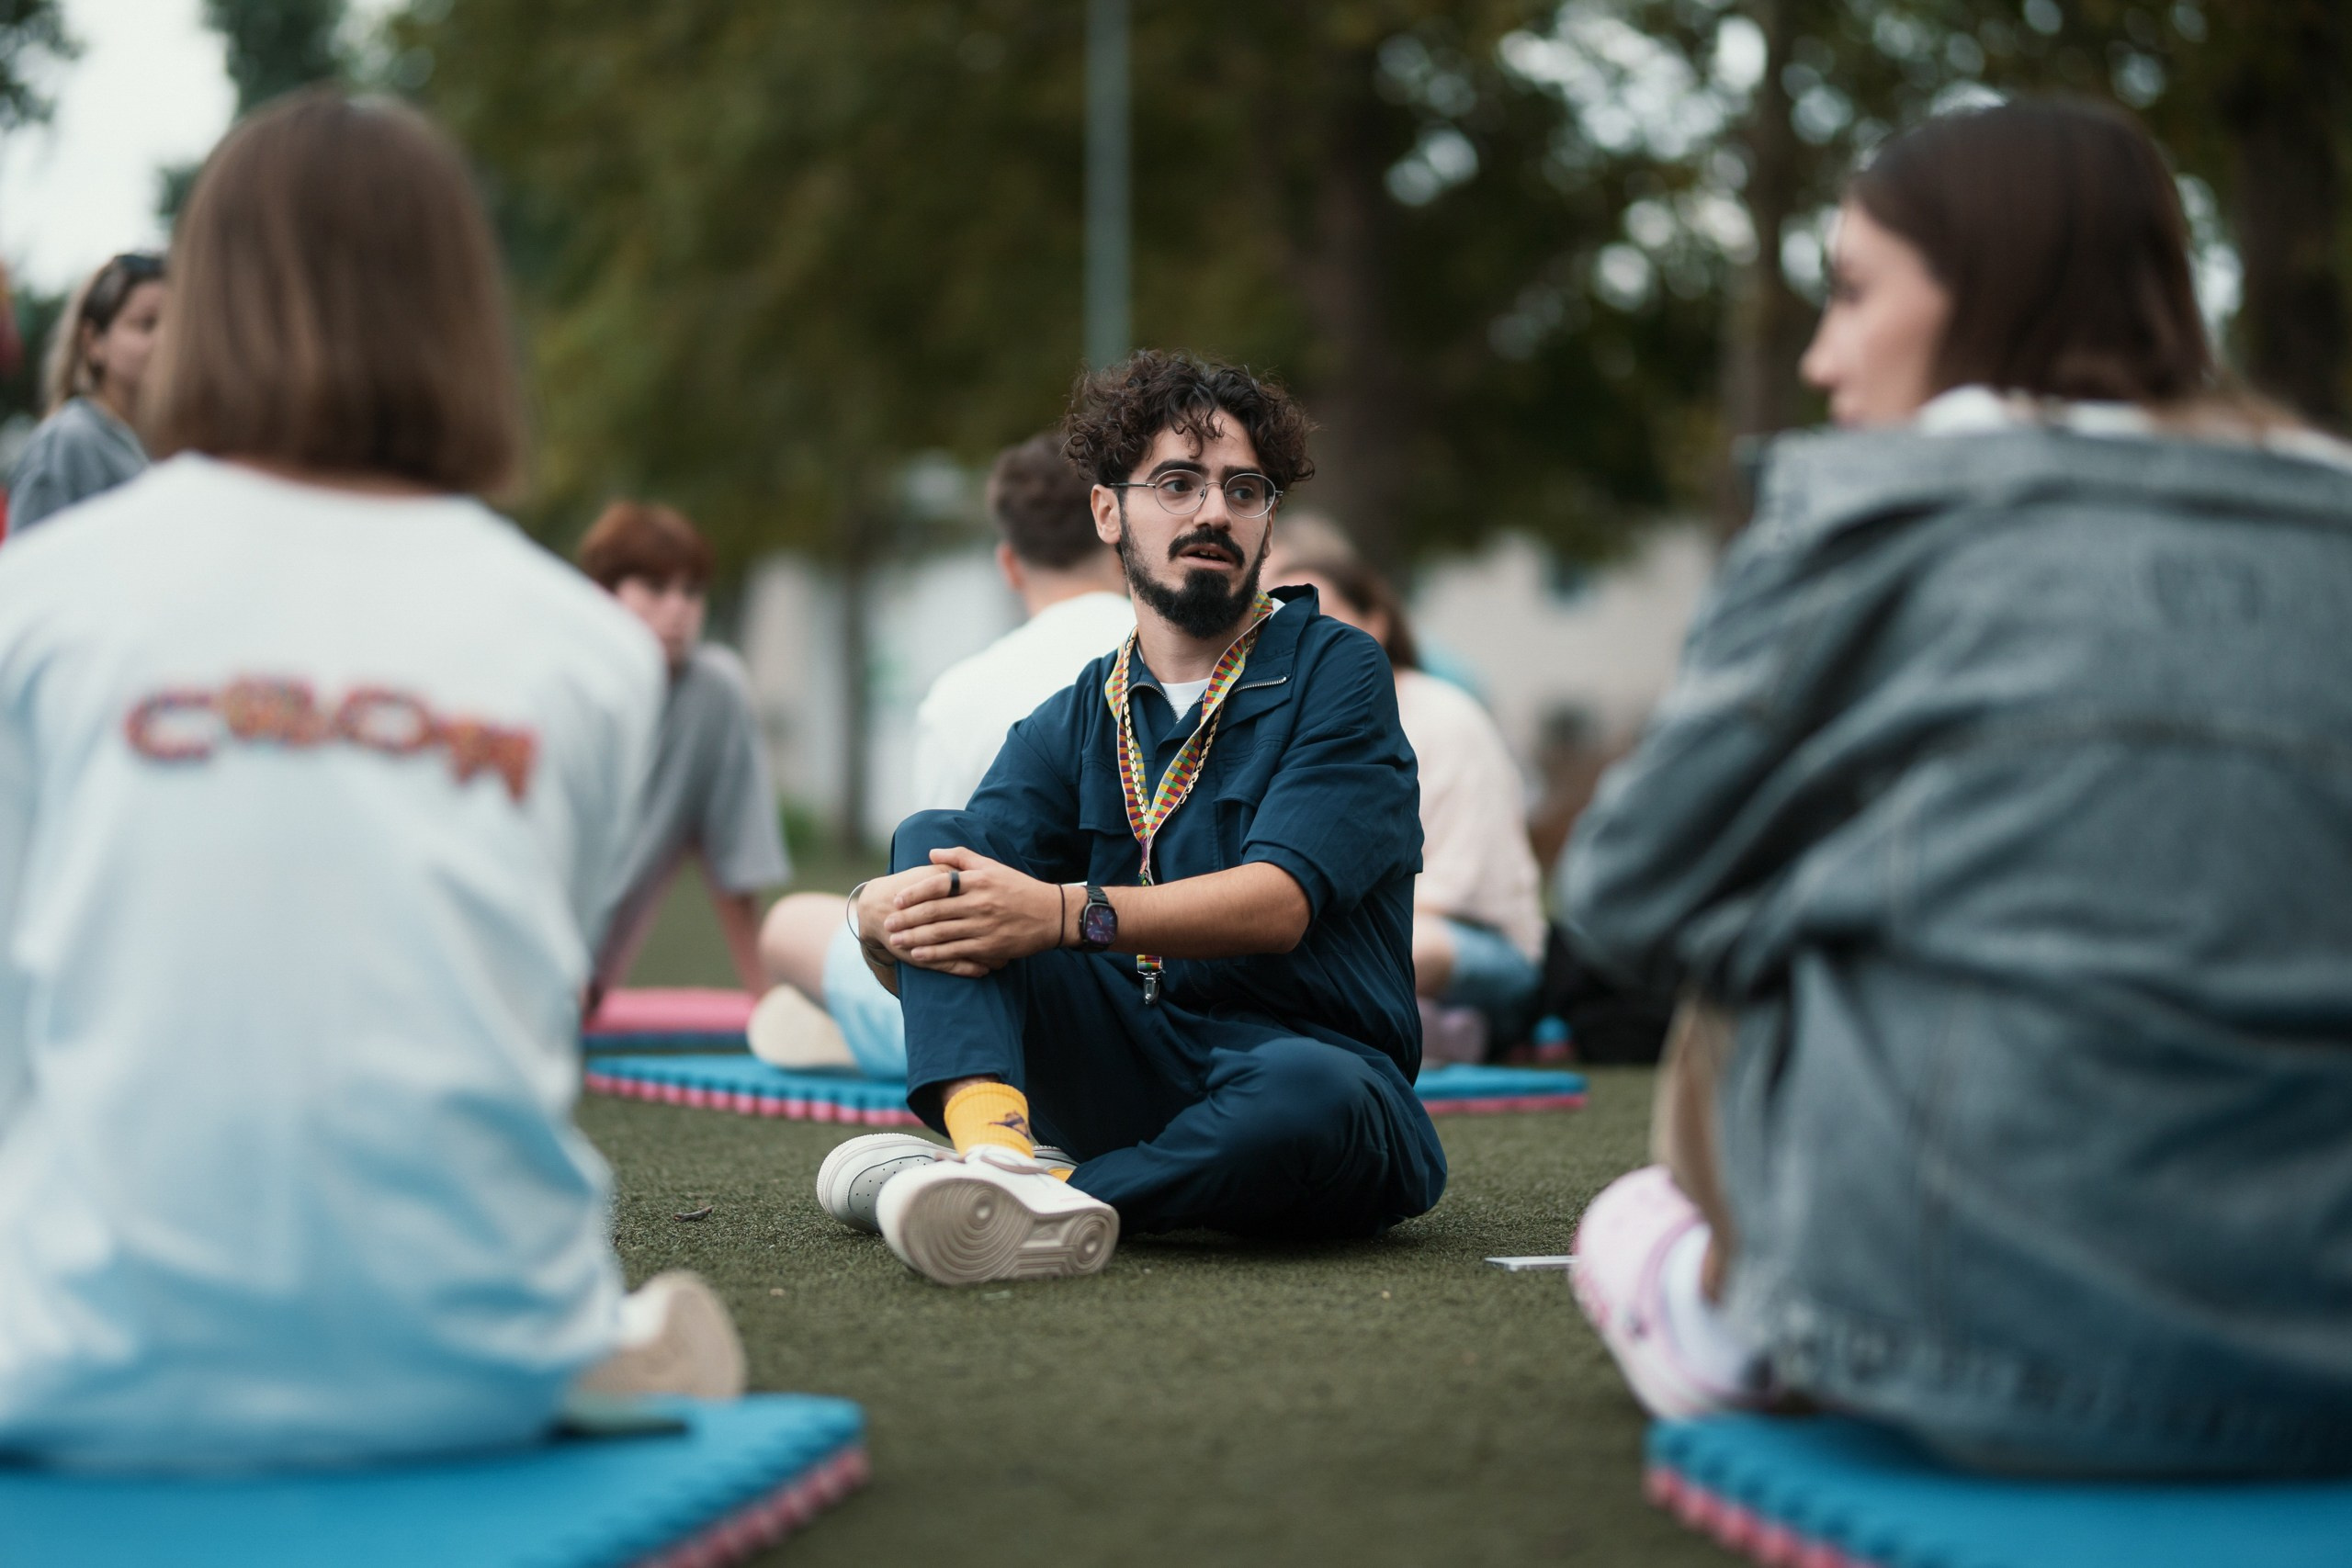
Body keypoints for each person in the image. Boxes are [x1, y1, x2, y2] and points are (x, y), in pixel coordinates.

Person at [1564, 99, 2352, 1476]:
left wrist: (1826, 891)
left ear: (1987, 292)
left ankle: (1722, 1313)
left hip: (1968, 1340)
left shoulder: (1878, 514)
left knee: (1731, 966)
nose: (1820, 357)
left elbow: (1624, 894)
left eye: (1856, 293)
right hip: (2325, 1345)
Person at [0, 92, 741, 1472]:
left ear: (205, 304)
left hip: (79, 1364)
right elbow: (532, 998)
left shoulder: (35, 602)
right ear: (460, 310)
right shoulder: (587, 646)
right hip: (476, 1366)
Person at [811, 351, 1447, 1287]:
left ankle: (1038, 1190)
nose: (1213, 512)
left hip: (1308, 1077)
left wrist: (1066, 914)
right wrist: (875, 912)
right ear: (1108, 511)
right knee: (936, 842)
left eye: (1243, 489)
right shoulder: (1085, 704)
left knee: (1305, 1098)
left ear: (1268, 519)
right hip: (1131, 1065)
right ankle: (993, 1153)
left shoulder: (1336, 669)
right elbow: (958, 867)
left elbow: (1279, 904)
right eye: (1178, 484)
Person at [755, 434, 1131, 1077]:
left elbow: (928, 897)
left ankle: (866, 1031)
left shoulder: (966, 693)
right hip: (1148, 974)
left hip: (1021, 1009)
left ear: (1009, 564)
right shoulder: (1182, 659)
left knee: (792, 923)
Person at [1262, 544, 1544, 1062]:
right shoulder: (1280, 724)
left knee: (1405, 947)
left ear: (1377, 622)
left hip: (1471, 945)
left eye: (1320, 618)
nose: (1301, 638)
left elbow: (1460, 889)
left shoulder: (1444, 716)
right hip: (1345, 942)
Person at [576, 501, 790, 1002]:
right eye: (655, 588)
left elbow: (735, 868)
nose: (677, 608)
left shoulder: (714, 691)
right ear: (601, 595)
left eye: (691, 592)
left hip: (588, 978)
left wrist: (772, 1006)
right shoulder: (564, 679)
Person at [7, 251, 165, 533]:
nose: (165, 339)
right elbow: (32, 566)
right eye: (147, 324)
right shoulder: (66, 443)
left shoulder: (165, 444)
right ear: (93, 341)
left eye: (175, 324)